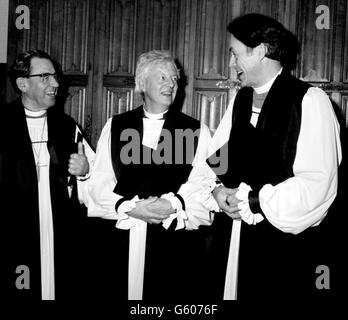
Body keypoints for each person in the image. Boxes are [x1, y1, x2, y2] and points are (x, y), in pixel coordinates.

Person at [206, 14, 342, 300]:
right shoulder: (239, 101)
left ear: (260, 51)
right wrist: (217, 191)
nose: (230, 64)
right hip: (235, 242)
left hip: (286, 249)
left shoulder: (310, 101)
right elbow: (217, 161)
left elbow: (318, 186)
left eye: (234, 53)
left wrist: (254, 202)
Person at [87, 50, 214, 300]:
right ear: (142, 83)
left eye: (175, 79)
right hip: (121, 241)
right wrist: (129, 208)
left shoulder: (197, 130)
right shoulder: (116, 126)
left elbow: (207, 186)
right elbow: (99, 183)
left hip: (174, 246)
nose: (171, 85)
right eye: (163, 77)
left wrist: (171, 206)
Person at [0, 49, 94, 300]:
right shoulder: (1, 124)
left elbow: (95, 182)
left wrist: (85, 172)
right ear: (23, 84)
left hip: (59, 230)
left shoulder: (66, 126)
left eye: (55, 76)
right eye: (45, 77)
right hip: (13, 232)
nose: (55, 83)